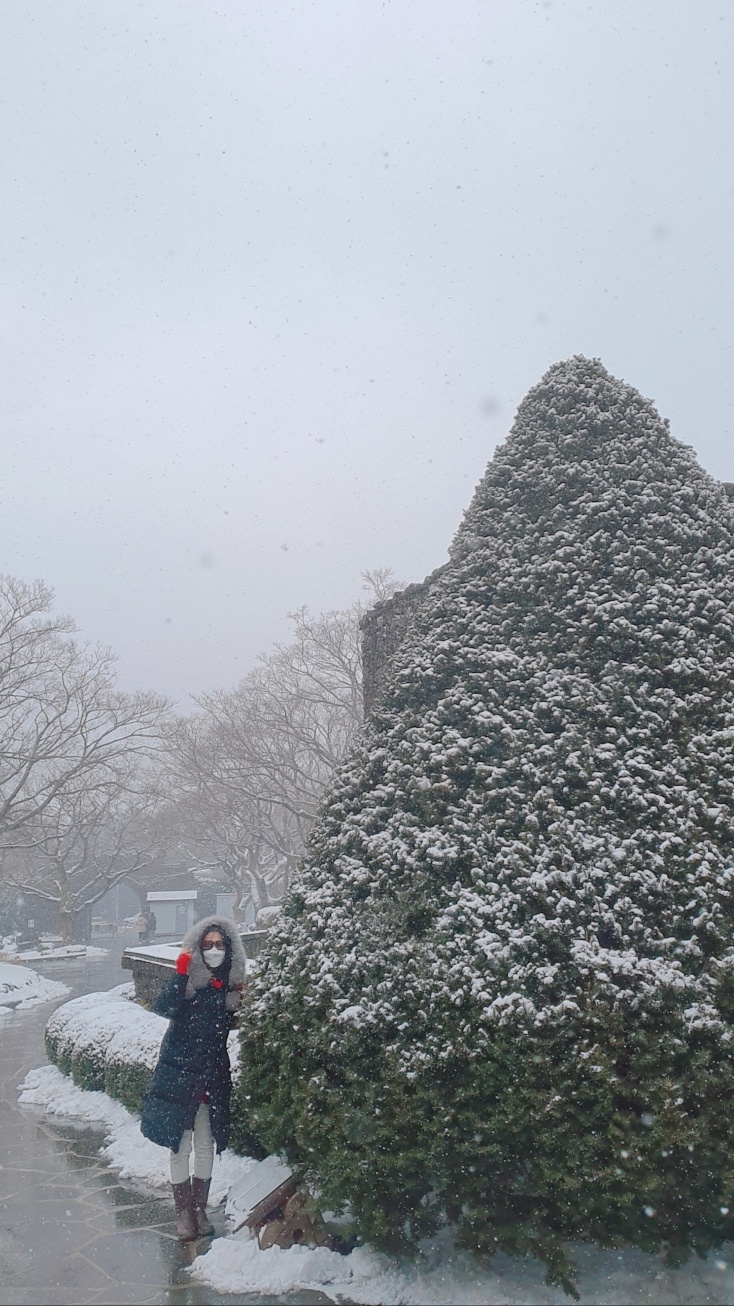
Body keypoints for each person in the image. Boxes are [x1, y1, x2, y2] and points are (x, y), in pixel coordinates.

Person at [140, 915, 247, 1240]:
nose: (214, 950)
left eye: (219, 945)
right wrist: (180, 973)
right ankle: (183, 1214)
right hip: (180, 1075)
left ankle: (199, 1210)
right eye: (207, 945)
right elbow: (164, 1006)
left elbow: (232, 1022)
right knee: (179, 1146)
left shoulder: (227, 987)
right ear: (198, 948)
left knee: (205, 1144)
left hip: (211, 1077)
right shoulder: (187, 983)